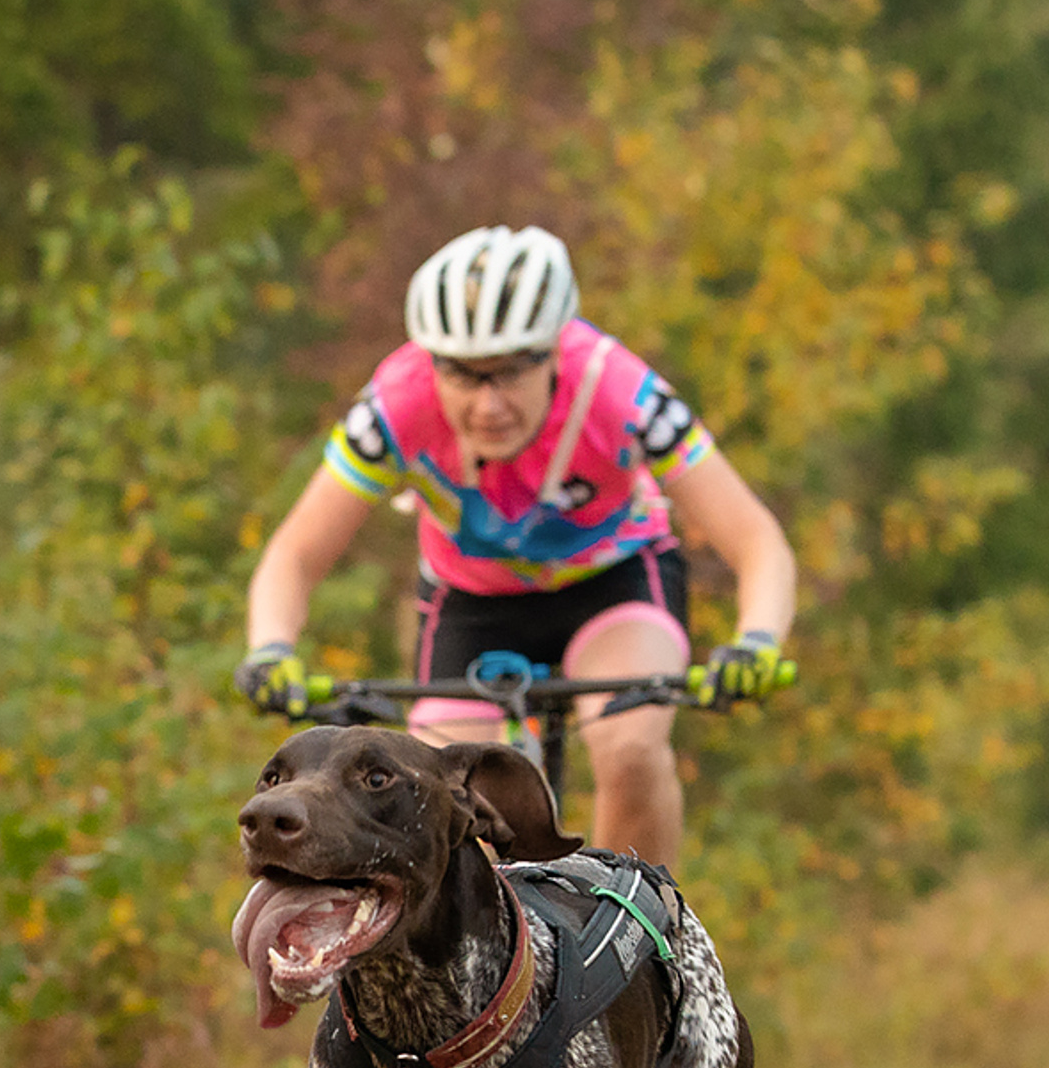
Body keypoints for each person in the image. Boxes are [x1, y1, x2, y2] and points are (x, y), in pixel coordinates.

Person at [232, 225, 797, 874]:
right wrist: (271, 648)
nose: (488, 403)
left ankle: (638, 920)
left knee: (631, 749)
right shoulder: (394, 406)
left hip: (612, 581)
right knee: (434, 797)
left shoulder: (619, 391)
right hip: (473, 601)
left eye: (510, 372)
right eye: (463, 376)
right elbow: (295, 555)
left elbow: (757, 540)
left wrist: (757, 641)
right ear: (431, 363)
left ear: (554, 351)